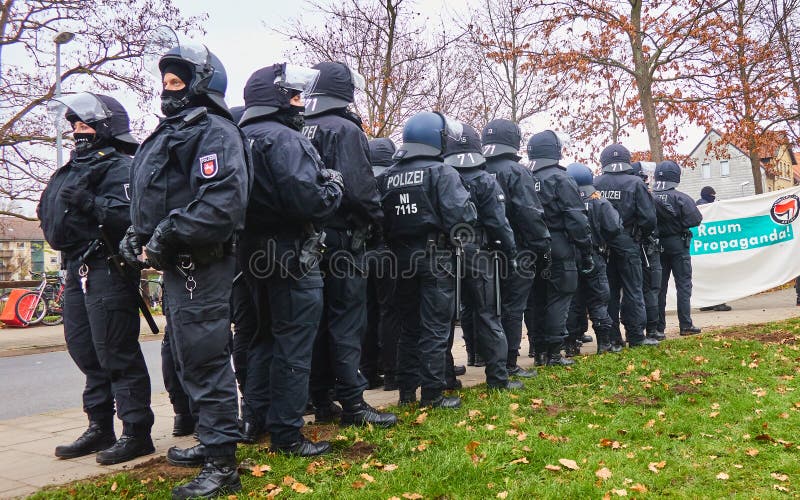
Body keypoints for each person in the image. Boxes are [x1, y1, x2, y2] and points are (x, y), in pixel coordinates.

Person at [120, 37, 251, 499]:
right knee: (185, 357)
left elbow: (222, 203)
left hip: (202, 260)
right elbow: (153, 195)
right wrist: (138, 231)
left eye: (178, 81)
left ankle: (223, 464)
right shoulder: (172, 130)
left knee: (204, 357)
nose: (168, 89)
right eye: (165, 82)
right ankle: (213, 438)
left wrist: (166, 232)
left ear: (201, 82)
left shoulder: (214, 130)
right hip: (177, 263)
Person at [235, 63, 347, 454]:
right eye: (296, 96)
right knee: (294, 344)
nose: (301, 104)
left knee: (263, 339)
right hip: (290, 254)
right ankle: (286, 434)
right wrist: (333, 184)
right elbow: (310, 201)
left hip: (251, 254)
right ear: (278, 97)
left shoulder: (238, 136)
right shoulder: (283, 139)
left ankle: (255, 420)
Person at [39, 92, 155, 465]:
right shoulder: (70, 169)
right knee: (86, 352)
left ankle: (136, 432)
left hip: (108, 267)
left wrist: (93, 205)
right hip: (77, 268)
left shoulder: (121, 166)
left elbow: (132, 215)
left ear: (106, 127)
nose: (77, 130)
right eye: (74, 124)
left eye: (85, 124)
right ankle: (99, 426)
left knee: (116, 352)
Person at [302, 62, 396, 428]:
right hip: (343, 238)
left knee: (317, 321)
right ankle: (354, 404)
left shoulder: (298, 125)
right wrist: (376, 222)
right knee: (346, 321)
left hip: (308, 239)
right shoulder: (344, 128)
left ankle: (322, 400)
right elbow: (360, 188)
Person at [378, 111, 477, 408]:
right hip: (435, 257)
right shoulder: (441, 172)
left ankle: (407, 393)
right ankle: (432, 394)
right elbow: (462, 216)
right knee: (435, 326)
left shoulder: (388, 176)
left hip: (399, 258)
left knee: (409, 326)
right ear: (437, 138)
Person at [443, 122, 522, 390]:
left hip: (446, 253)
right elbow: (499, 224)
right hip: (479, 255)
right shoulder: (486, 180)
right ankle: (498, 378)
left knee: (444, 317)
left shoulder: (442, 176)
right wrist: (509, 253)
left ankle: (446, 379)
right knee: (488, 314)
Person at [482, 119, 550, 377]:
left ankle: (490, 359)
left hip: (481, 251)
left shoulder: (476, 169)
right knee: (513, 307)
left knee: (487, 308)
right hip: (517, 249)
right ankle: (509, 362)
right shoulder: (516, 171)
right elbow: (529, 213)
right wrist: (542, 246)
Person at [524, 130, 594, 365]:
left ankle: (540, 351)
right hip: (559, 244)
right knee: (559, 298)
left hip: (531, 245)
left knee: (537, 300)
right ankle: (554, 353)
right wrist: (586, 250)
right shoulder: (561, 179)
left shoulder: (526, 176)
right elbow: (576, 219)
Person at [593, 144, 659, 347]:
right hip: (629, 243)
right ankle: (636, 336)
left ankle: (613, 338)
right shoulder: (636, 183)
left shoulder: (596, 184)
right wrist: (639, 235)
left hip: (603, 246)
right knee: (633, 290)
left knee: (609, 292)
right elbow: (649, 218)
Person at [565, 163, 623, 354]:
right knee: (598, 299)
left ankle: (572, 345)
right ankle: (604, 343)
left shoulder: (564, 202)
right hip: (595, 255)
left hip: (570, 257)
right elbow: (615, 227)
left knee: (573, 301)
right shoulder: (600, 202)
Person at [365, 138, 402, 391]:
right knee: (391, 312)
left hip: (361, 253)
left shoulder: (362, 176)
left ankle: (367, 372)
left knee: (366, 313)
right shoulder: (391, 179)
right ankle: (391, 373)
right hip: (388, 252)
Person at [653, 160, 704, 336]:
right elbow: (696, 219)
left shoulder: (648, 195)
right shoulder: (681, 197)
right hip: (678, 244)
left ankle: (658, 328)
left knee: (659, 288)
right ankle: (685, 325)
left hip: (657, 246)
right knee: (683, 285)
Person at [631, 161, 665, 341]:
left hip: (632, 246)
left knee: (634, 290)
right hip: (648, 247)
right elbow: (652, 219)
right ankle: (652, 329)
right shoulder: (645, 194)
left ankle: (634, 330)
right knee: (652, 288)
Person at [695, 186, 732, 312]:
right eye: (712, 195)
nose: (714, 197)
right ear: (708, 195)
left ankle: (706, 303)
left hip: (701, 249)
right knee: (718, 277)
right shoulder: (709, 208)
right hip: (712, 248)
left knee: (706, 278)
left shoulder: (696, 207)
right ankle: (719, 302)